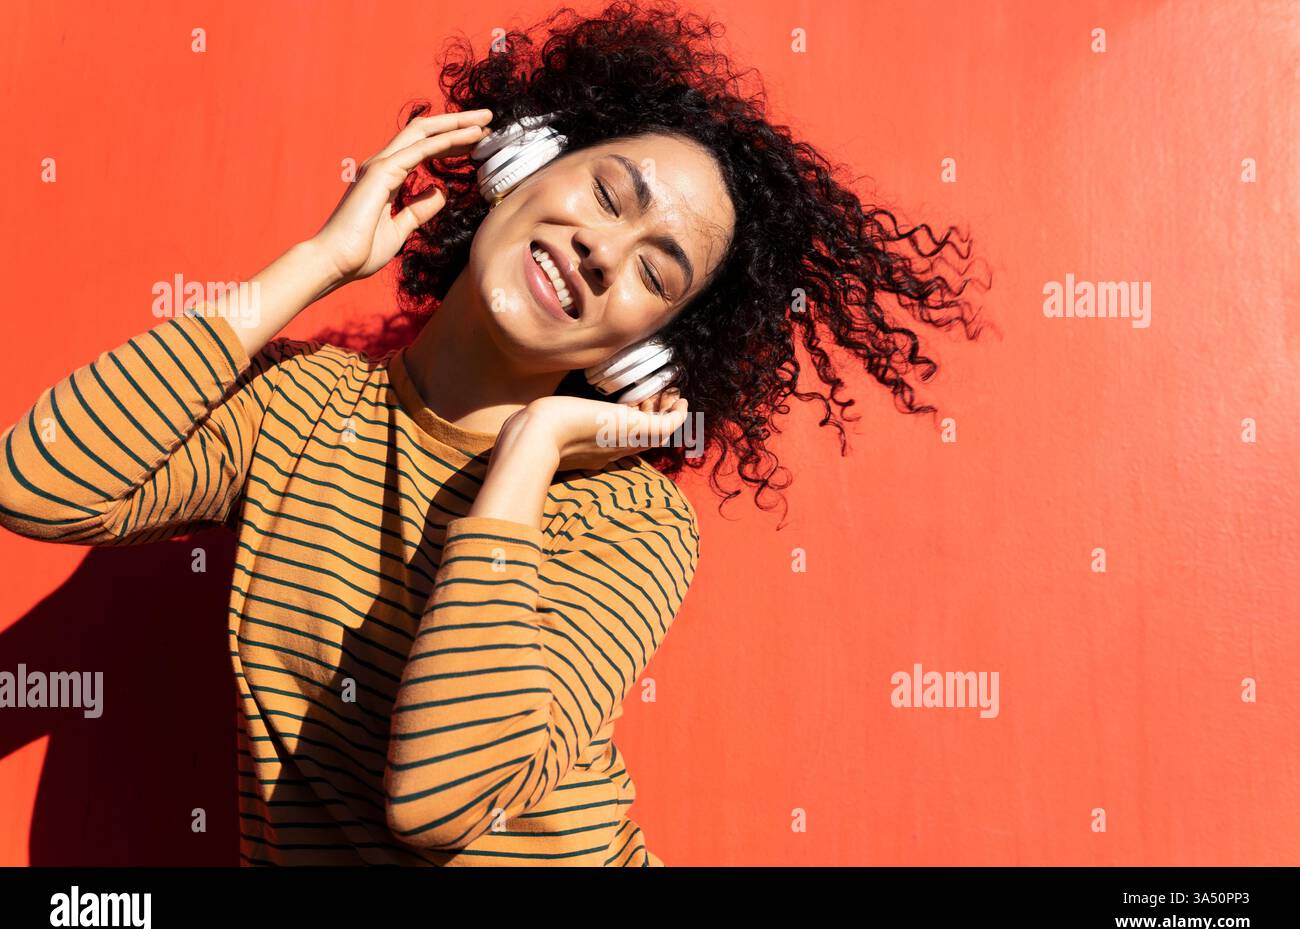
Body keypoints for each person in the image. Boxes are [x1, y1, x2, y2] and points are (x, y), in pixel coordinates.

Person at [0, 0, 983, 866]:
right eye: (608, 194)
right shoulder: (298, 411)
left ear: (651, 348)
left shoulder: (631, 525)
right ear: (525, 160)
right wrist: (317, 261)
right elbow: (36, 486)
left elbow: (440, 801)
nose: (604, 251)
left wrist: (529, 454)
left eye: (656, 272)